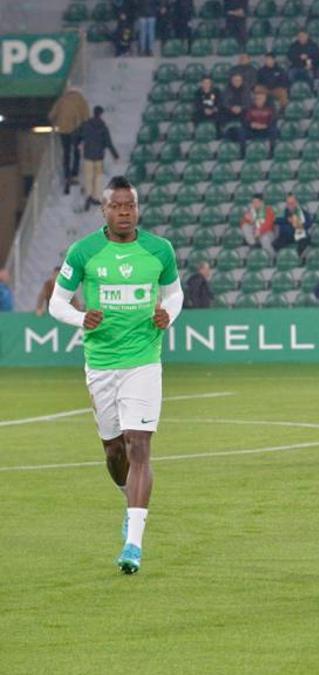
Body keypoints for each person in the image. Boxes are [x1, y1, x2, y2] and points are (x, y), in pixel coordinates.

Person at [48, 175, 183, 574]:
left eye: (131, 205)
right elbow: (57, 303)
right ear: (103, 210)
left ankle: (133, 543)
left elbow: (174, 294)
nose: (125, 212)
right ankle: (129, 498)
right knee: (114, 451)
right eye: (117, 206)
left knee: (139, 444)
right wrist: (80, 317)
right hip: (102, 363)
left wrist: (167, 314)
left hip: (143, 360)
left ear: (137, 208)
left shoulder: (160, 250)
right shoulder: (84, 251)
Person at [48, 86, 89, 194]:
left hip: (63, 129)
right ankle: (75, 175)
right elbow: (86, 116)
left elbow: (51, 115)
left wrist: (55, 123)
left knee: (66, 152)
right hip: (76, 129)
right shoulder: (81, 100)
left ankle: (67, 175)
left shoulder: (62, 100)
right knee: (76, 151)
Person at [79, 107, 120, 210]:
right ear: (101, 114)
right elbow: (108, 142)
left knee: (88, 177)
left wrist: (78, 144)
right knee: (97, 178)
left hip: (88, 155)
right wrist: (115, 155)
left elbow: (79, 135)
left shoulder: (86, 125)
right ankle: (95, 196)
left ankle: (88, 195)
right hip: (99, 157)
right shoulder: (103, 127)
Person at [239, 90, 278, 158]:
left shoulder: (270, 108)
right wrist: (251, 125)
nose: (258, 100)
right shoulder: (249, 108)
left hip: (265, 129)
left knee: (273, 130)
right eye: (257, 99)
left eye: (260, 99)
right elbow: (245, 121)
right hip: (253, 130)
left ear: (265, 99)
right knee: (241, 131)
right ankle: (243, 153)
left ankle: (272, 152)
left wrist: (265, 125)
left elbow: (273, 120)